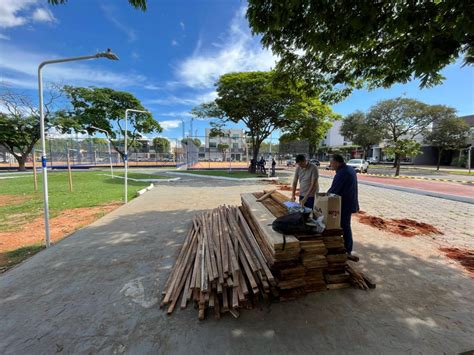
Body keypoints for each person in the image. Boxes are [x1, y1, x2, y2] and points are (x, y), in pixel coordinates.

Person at [327, 154, 359, 255]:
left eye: (331, 163)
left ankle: (347, 250)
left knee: (344, 226)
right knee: (345, 225)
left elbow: (334, 190)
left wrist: (322, 198)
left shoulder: (342, 173)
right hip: (348, 202)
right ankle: (345, 247)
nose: (330, 165)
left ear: (336, 162)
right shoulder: (349, 169)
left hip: (345, 204)